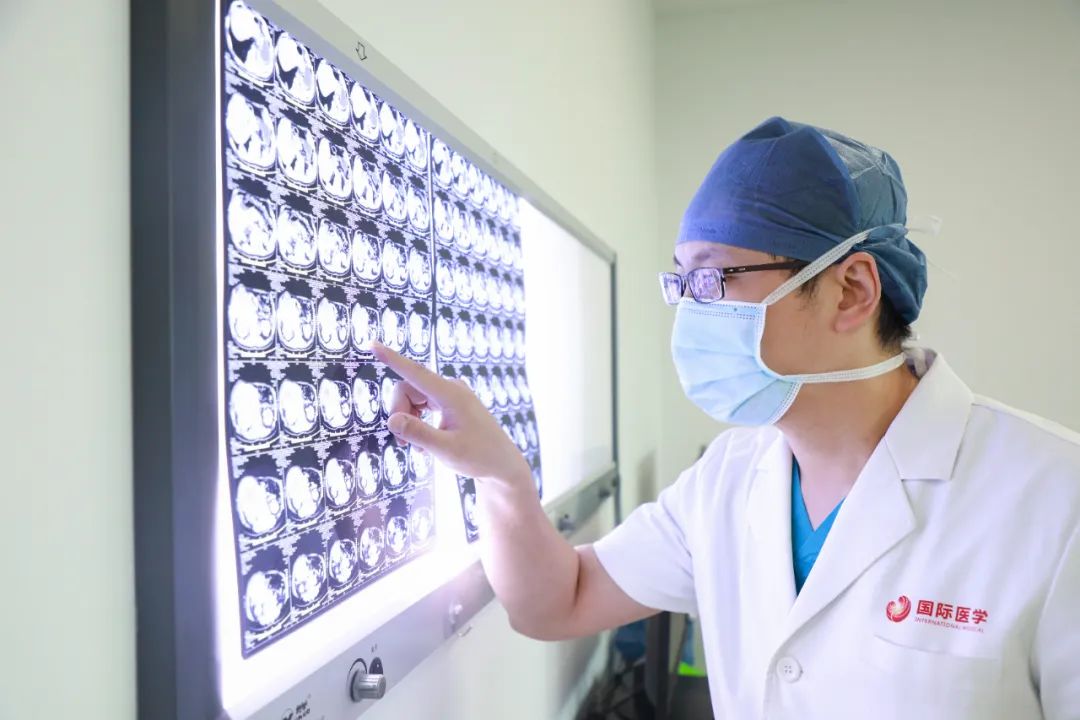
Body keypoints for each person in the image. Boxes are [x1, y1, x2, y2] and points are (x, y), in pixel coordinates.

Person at [371, 116, 1080, 719]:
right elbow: (558, 602)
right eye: (681, 281)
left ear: (851, 290)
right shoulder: (729, 478)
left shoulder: (1054, 499)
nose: (689, 310)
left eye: (713, 279)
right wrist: (502, 479)